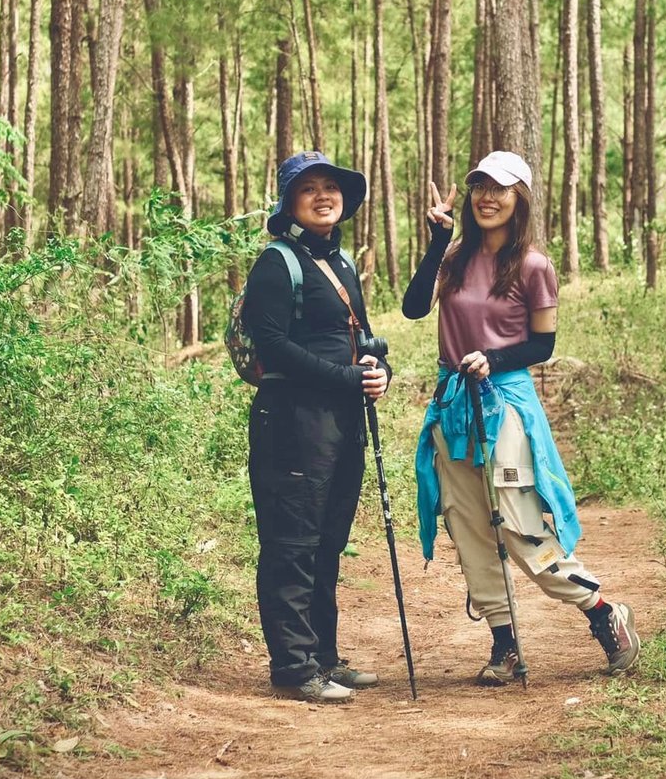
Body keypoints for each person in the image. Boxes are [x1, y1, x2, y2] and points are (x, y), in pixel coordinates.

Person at [403, 150, 640, 684]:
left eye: (501, 188)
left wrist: (495, 357)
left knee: (516, 521)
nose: (488, 197)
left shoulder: (534, 265)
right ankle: (503, 645)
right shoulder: (456, 255)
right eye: (480, 186)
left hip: (504, 403)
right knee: (467, 525)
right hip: (453, 403)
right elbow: (414, 307)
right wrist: (437, 241)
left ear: (519, 199)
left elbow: (544, 344)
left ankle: (602, 611)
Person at [243, 150, 391, 702]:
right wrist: (344, 377)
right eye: (309, 189)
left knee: (328, 542)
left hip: (341, 421)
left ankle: (324, 658)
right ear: (290, 203)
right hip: (292, 424)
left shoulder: (341, 263)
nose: (324, 196)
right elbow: (273, 345)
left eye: (331, 187)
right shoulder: (276, 264)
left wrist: (378, 372)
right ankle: (294, 667)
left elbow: (363, 338)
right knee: (293, 543)